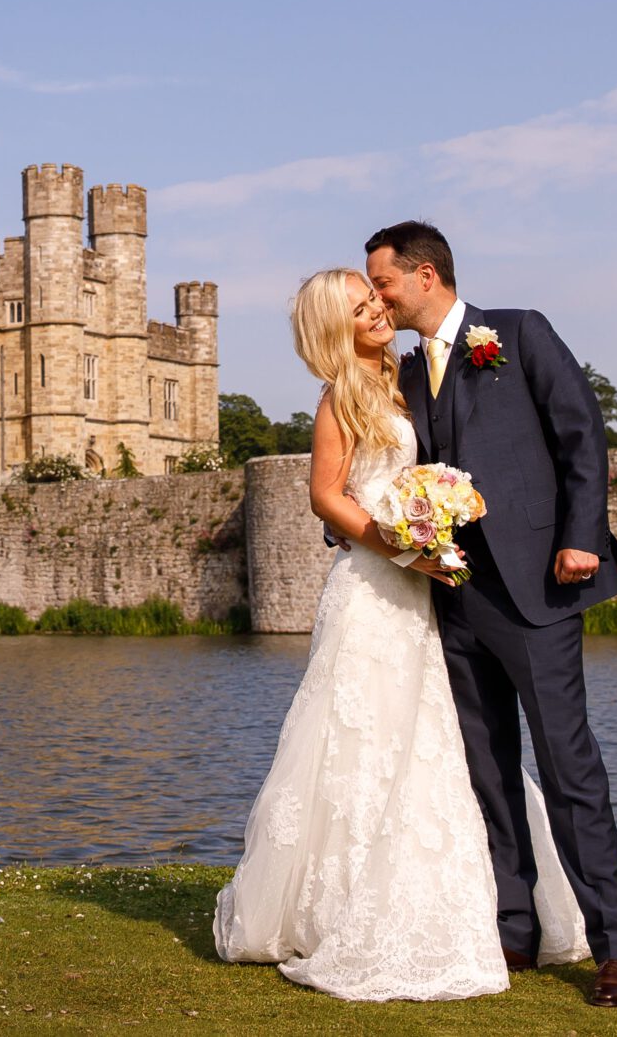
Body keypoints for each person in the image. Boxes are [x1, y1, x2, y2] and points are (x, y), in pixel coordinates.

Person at [214, 268, 588, 1000]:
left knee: (441, 737)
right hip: (375, 590)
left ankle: (490, 903)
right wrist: (399, 546)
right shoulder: (340, 397)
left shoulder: (405, 378)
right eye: (362, 309)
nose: (379, 311)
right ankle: (344, 906)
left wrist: (434, 529)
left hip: (425, 591)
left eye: (376, 299)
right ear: (338, 328)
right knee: (366, 741)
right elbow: (326, 496)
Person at [366, 219, 617, 1009]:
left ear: (425, 275)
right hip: (453, 595)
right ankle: (514, 927)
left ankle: (615, 947)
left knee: (567, 764)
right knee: (487, 770)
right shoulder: (405, 372)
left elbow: (581, 434)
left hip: (538, 590)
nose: (378, 299)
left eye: (383, 282)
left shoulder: (518, 335)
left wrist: (581, 537)